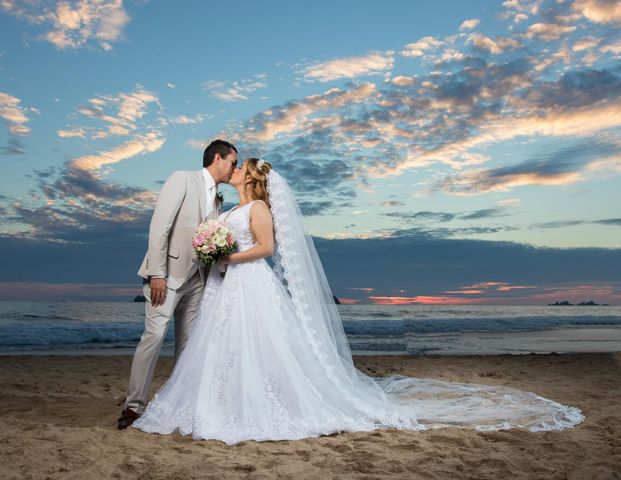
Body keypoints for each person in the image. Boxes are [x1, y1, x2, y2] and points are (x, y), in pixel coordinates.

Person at [132, 158, 584, 444]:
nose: (233, 172)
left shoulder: (259, 209)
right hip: (224, 285)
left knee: (259, 346)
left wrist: (229, 252)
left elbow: (267, 249)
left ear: (248, 178)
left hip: (250, 282)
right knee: (216, 347)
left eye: (238, 169)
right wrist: (214, 251)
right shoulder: (227, 210)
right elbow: (214, 238)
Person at [117, 139, 238, 430]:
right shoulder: (182, 179)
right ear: (218, 158)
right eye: (233, 161)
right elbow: (160, 226)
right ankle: (134, 406)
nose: (235, 167)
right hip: (168, 276)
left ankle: (180, 404)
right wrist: (157, 273)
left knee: (188, 345)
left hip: (198, 279)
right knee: (155, 336)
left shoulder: (218, 197)